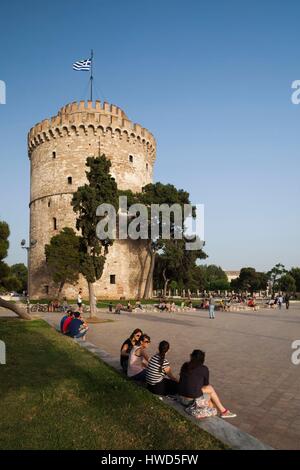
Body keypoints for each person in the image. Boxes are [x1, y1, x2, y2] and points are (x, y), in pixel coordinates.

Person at [178, 349, 236, 418]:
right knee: (210, 391)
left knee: (209, 400)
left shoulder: (185, 365)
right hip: (190, 402)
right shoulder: (204, 369)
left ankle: (222, 411)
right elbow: (206, 384)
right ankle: (223, 411)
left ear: (191, 356)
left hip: (181, 398)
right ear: (202, 359)